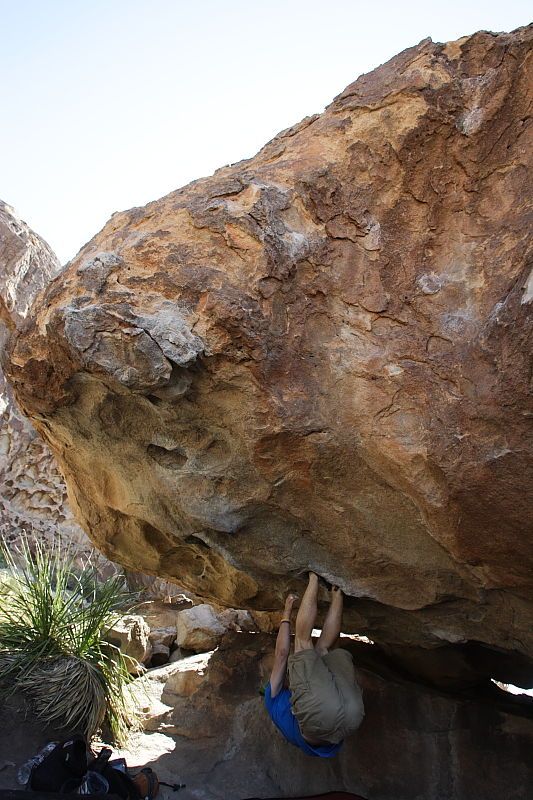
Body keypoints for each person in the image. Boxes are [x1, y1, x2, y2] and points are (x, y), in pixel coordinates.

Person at [264, 572, 364, 757]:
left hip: (352, 719)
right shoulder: (271, 698)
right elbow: (282, 654)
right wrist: (286, 614)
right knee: (303, 642)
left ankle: (337, 594)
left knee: (325, 650)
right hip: (321, 713)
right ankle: (314, 578)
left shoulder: (291, 721)